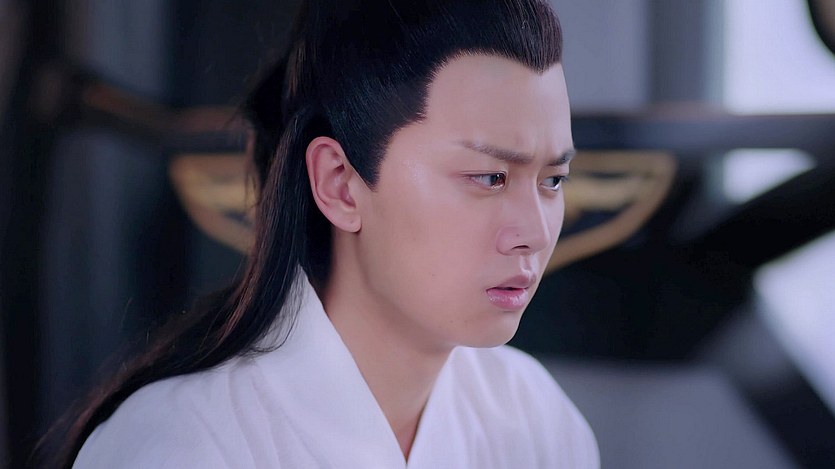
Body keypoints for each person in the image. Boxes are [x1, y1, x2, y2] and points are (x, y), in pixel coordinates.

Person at [54, 0, 599, 467]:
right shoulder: (185, 444)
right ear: (340, 184)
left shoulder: (535, 420)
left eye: (553, 180)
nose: (533, 233)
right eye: (489, 177)